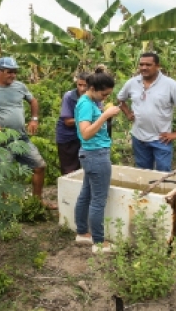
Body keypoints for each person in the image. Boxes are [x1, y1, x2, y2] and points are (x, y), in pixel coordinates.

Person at [0, 56, 57, 210]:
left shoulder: (20, 86)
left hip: (21, 137)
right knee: (2, 173)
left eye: (15, 72)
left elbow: (33, 101)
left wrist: (34, 119)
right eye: (9, 72)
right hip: (1, 140)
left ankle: (37, 201)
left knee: (39, 166)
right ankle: (5, 207)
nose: (13, 75)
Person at [73, 67, 121, 253]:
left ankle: (82, 233)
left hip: (91, 154)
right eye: (104, 94)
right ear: (92, 88)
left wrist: (102, 112)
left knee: (86, 194)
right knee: (98, 200)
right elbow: (85, 133)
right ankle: (99, 243)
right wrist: (105, 116)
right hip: (95, 155)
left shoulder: (89, 101)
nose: (105, 98)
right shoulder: (85, 104)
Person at [117, 52, 176, 172]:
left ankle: (163, 191)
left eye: (148, 64)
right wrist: (128, 113)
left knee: (163, 173)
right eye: (141, 64)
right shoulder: (132, 83)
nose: (144, 68)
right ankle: (146, 191)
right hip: (139, 137)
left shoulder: (170, 84)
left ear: (157, 66)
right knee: (143, 173)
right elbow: (120, 99)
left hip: (161, 139)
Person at [56, 72, 95, 175]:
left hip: (85, 135)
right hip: (68, 136)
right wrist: (86, 120)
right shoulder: (69, 96)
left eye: (85, 85)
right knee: (69, 169)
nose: (82, 88)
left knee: (88, 167)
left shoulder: (94, 96)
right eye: (79, 85)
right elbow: (68, 121)